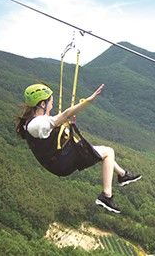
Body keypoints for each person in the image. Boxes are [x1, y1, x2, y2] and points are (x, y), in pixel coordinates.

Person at [15, 83, 141, 214]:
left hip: (59, 159)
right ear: (42, 104)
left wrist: (68, 124)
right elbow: (65, 114)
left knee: (103, 151)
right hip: (61, 162)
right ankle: (106, 196)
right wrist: (87, 101)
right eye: (51, 102)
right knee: (109, 152)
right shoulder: (37, 124)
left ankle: (123, 175)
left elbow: (52, 134)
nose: (52, 105)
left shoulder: (33, 121)